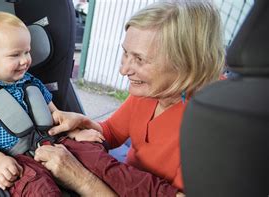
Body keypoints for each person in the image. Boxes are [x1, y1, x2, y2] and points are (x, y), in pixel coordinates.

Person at [34, 1, 225, 196]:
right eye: (125, 53)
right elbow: (112, 132)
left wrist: (82, 181)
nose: (123, 70)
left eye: (140, 60)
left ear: (186, 64)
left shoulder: (212, 128)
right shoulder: (154, 89)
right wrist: (84, 124)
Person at [0, 11, 112, 197]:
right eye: (15, 55)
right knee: (39, 189)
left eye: (27, 52)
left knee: (95, 155)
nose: (25, 60)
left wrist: (75, 133)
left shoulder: (33, 83)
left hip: (54, 144)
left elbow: (58, 117)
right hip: (19, 160)